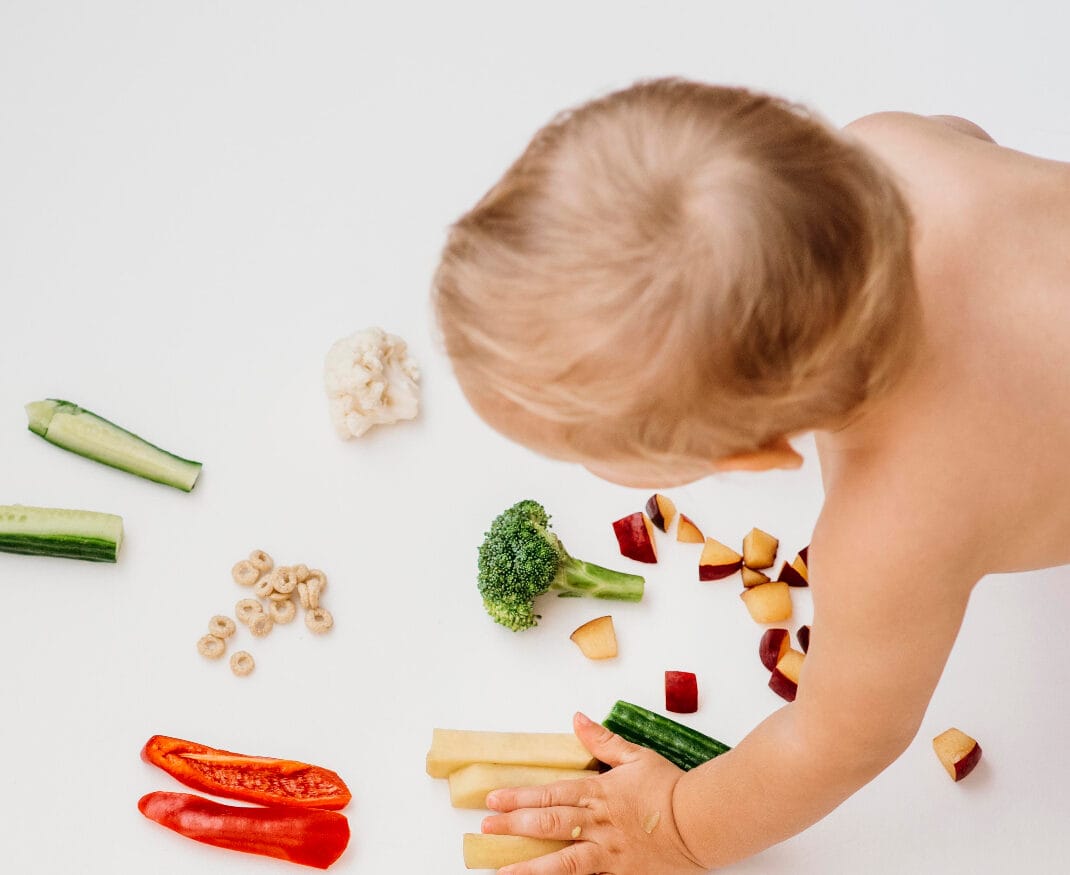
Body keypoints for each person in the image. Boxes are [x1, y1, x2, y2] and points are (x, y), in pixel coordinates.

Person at [431, 77, 1070, 873]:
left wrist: (677, 826)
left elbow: (836, 741)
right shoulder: (895, 146)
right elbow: (971, 133)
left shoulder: (888, 532)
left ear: (755, 457)